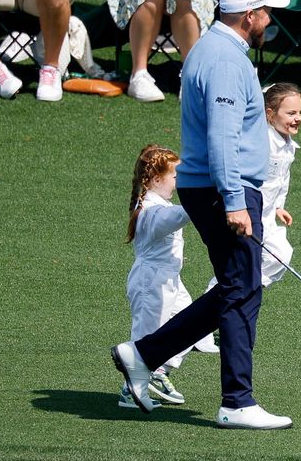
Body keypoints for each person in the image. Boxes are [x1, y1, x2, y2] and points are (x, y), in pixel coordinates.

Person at [111, 0, 293, 430]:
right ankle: (236, 401)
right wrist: (235, 200)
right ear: (249, 16)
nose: (270, 19)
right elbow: (223, 137)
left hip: (213, 186)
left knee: (239, 287)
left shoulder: (217, 51)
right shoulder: (226, 61)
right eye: (266, 12)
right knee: (242, 290)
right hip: (222, 188)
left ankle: (145, 354)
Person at [119, 144, 218, 409]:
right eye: (176, 177)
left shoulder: (159, 205)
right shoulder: (152, 212)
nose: (178, 183)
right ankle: (130, 392)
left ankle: (159, 372)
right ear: (155, 180)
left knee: (193, 327)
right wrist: (203, 199)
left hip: (170, 278)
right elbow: (178, 216)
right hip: (152, 281)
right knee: (147, 336)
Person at [206, 83, 301, 293]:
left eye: (300, 112)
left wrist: (278, 206)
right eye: (291, 113)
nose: (298, 118)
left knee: (280, 255)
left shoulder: (287, 144)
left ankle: (245, 288)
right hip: (249, 212)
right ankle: (221, 295)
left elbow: (282, 178)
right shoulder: (262, 141)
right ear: (270, 114)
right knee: (242, 262)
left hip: (267, 213)